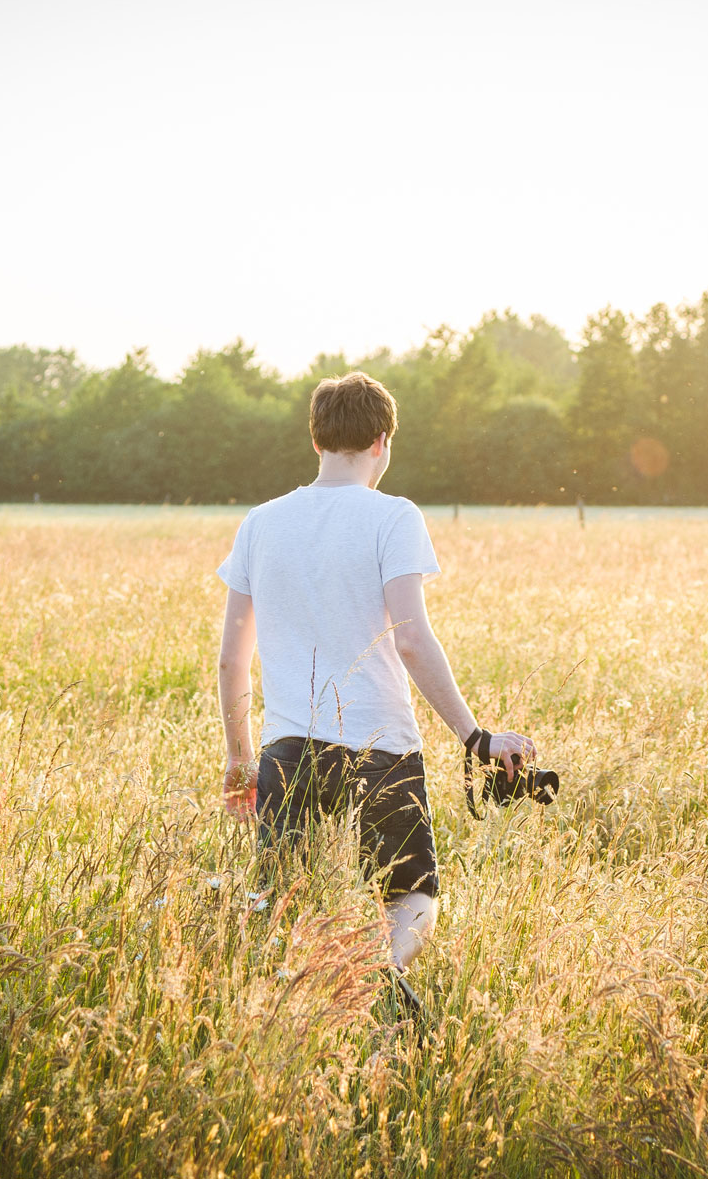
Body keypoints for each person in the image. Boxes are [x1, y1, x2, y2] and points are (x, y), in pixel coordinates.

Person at [215, 371, 536, 1010]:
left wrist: (239, 759)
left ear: (317, 442)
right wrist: (476, 738)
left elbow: (231, 660)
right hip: (380, 743)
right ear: (382, 443)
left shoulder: (261, 522)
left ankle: (293, 1015)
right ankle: (375, 970)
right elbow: (412, 639)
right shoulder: (394, 517)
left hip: (288, 749)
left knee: (279, 901)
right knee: (414, 896)